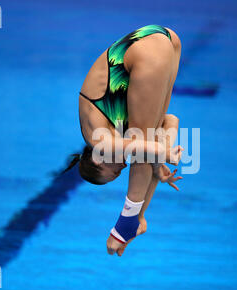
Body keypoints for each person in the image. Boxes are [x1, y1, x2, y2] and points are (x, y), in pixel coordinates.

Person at [63, 25, 182, 256]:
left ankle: (126, 225)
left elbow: (140, 148)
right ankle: (136, 219)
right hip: (167, 39)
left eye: (115, 172)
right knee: (149, 149)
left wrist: (164, 154)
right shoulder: (114, 131)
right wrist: (159, 165)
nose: (123, 167)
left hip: (146, 52)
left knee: (143, 150)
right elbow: (171, 121)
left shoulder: (99, 142)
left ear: (99, 161)